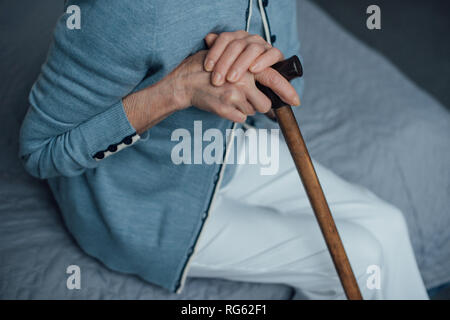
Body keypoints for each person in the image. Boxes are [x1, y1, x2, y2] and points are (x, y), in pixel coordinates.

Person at [19, 0, 428, 299]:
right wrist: (173, 91)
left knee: (388, 224)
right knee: (363, 256)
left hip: (228, 148)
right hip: (137, 203)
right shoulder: (126, 11)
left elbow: (287, 93)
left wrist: (255, 63)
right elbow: (40, 152)